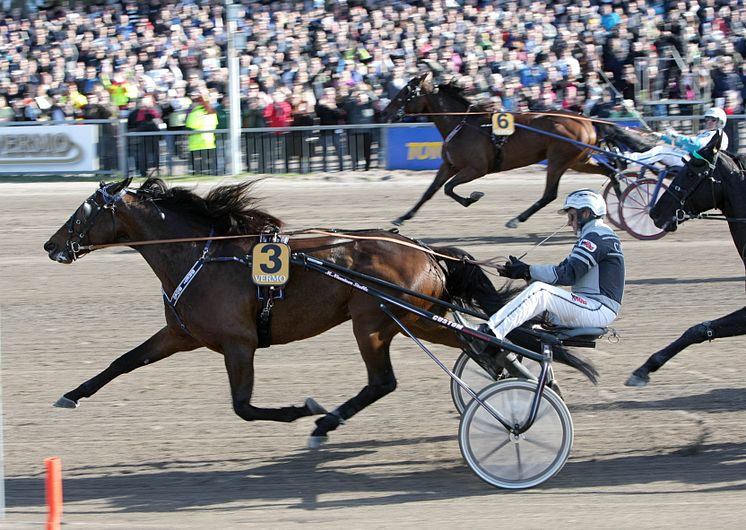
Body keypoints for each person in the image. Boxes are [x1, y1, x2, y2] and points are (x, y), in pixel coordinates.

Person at [469, 189, 625, 367]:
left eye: (572, 216)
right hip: (590, 307)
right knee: (526, 305)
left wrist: (528, 270)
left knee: (540, 292)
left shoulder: (597, 238)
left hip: (597, 309)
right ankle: (502, 355)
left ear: (586, 213)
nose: (569, 223)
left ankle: (490, 333)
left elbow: (567, 275)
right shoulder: (595, 237)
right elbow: (562, 271)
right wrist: (524, 273)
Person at [625, 107, 729, 168]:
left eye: (713, 119)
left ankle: (628, 161)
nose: (709, 122)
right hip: (694, 160)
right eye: (707, 119)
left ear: (720, 122)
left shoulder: (718, 135)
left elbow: (696, 145)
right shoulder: (708, 134)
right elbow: (686, 145)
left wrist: (676, 136)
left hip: (698, 164)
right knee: (665, 149)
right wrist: (662, 137)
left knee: (661, 151)